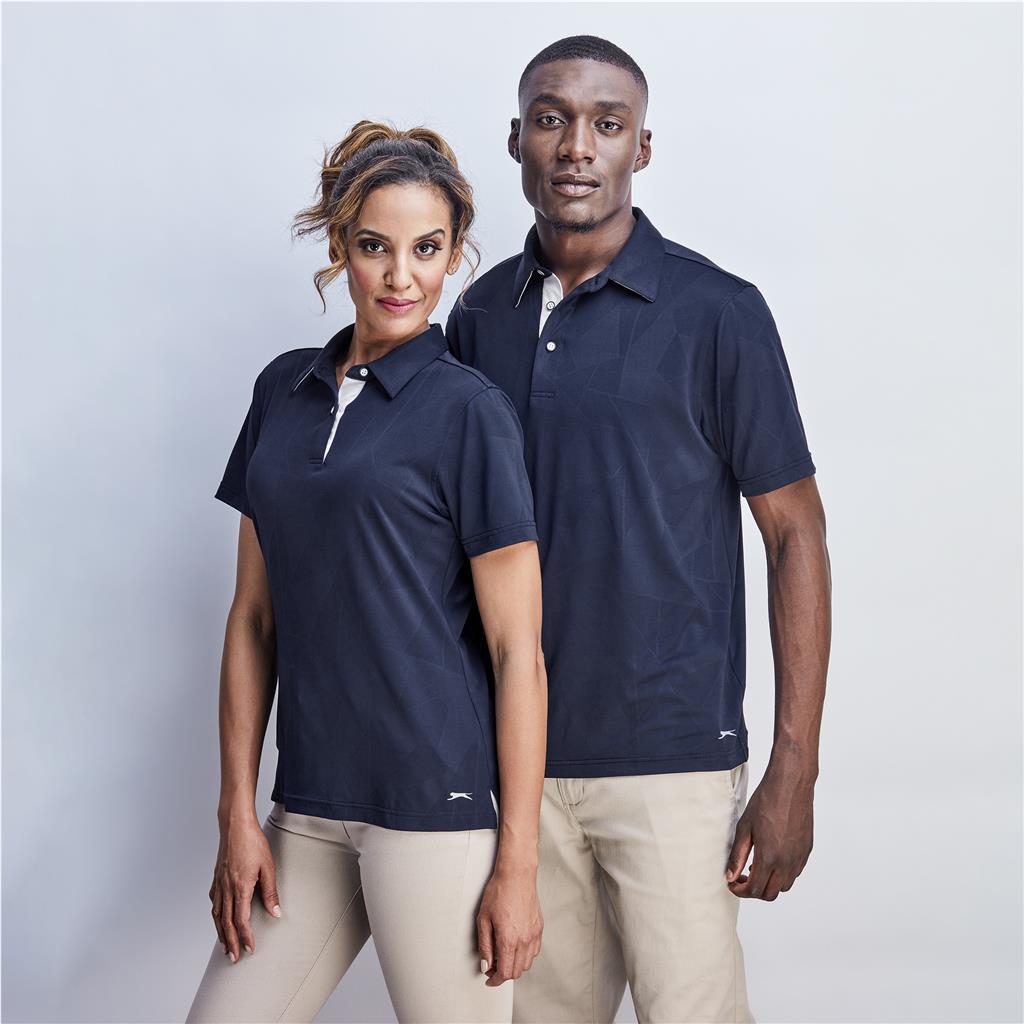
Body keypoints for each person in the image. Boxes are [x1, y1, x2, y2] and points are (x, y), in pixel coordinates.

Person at [446, 36, 832, 1024]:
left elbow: (794, 533)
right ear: (516, 140)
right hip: (518, 767)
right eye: (551, 119)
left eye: (607, 124)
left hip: (673, 762)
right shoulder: (478, 316)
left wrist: (794, 763)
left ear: (641, 149)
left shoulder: (718, 312)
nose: (577, 145)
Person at [186, 121, 547, 1024]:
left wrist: (518, 862)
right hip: (307, 804)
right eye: (375, 246)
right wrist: (236, 813)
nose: (400, 277)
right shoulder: (281, 391)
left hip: (434, 807)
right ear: (340, 246)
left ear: (454, 255)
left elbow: (518, 652)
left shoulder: (470, 412)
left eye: (427, 250)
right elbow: (253, 619)